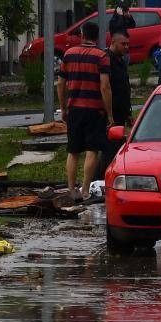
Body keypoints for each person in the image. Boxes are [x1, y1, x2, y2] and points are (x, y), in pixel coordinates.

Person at [54, 21, 113, 201]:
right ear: (96, 37)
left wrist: (63, 107)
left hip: (74, 110)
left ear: (82, 35)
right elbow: (105, 87)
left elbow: (61, 83)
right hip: (95, 110)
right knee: (92, 150)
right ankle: (85, 190)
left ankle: (72, 189)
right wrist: (109, 113)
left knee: (73, 151)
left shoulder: (69, 54)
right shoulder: (102, 56)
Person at [99, 30, 133, 179]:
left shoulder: (121, 59)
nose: (126, 47)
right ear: (113, 42)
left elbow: (125, 86)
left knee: (117, 147)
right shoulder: (106, 59)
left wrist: (129, 112)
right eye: (123, 44)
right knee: (110, 148)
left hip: (121, 111)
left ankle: (107, 176)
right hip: (110, 112)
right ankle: (99, 179)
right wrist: (109, 114)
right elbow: (105, 87)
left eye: (128, 44)